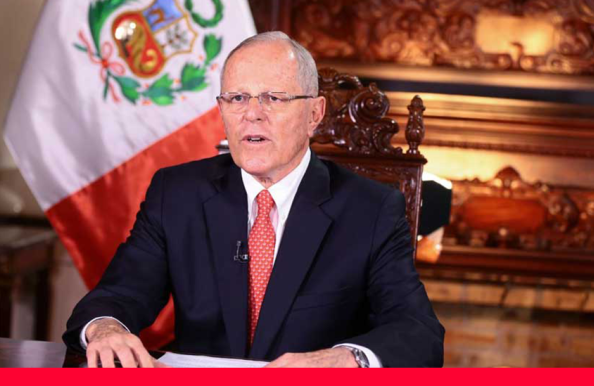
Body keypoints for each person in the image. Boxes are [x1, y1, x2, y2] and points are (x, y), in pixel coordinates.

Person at [63, 32, 444, 368]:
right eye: (237, 98)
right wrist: (106, 329)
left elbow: (418, 332)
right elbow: (118, 295)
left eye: (273, 98)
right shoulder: (176, 193)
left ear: (314, 114)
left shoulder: (371, 209)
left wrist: (347, 358)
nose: (251, 115)